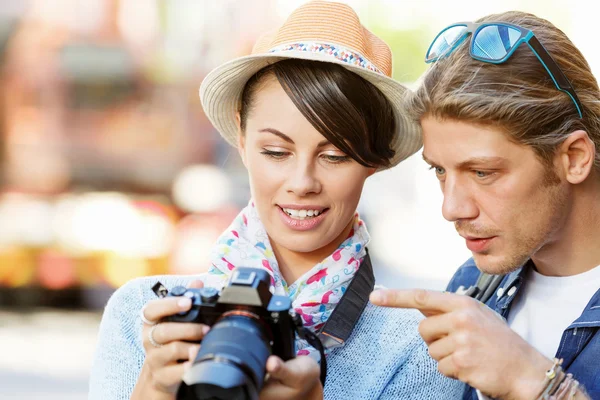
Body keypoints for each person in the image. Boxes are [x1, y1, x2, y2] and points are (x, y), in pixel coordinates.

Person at [88, 2, 464, 399]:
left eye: (334, 156)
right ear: (242, 139)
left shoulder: (421, 348)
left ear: (375, 159)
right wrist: (156, 389)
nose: (302, 183)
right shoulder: (144, 315)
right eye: (276, 152)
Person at [371, 10, 600, 400]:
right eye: (440, 171)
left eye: (482, 172)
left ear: (575, 157)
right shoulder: (470, 288)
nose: (452, 208)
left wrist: (535, 383)